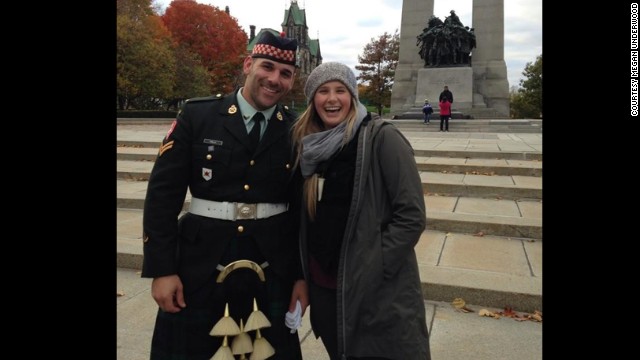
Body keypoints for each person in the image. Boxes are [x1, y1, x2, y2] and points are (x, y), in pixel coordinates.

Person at [141, 31, 308, 360]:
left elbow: (303, 212)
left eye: (285, 73)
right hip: (198, 265)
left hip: (272, 267)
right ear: (248, 64)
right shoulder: (198, 116)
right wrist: (162, 269)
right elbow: (162, 196)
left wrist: (302, 278)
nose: (275, 79)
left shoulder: (296, 129)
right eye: (267, 67)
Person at [290, 62, 431, 360]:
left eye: (340, 90)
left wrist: (374, 265)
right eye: (323, 91)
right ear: (313, 100)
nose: (331, 98)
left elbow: (411, 215)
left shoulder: (382, 138)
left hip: (374, 291)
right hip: (326, 289)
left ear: (352, 96)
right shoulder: (309, 146)